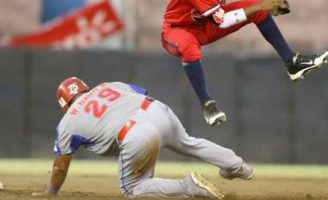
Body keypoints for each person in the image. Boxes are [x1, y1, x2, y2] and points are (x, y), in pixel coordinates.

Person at [161, 0, 328, 126]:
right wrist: (261, 4)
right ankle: (207, 103)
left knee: (257, 10)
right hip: (177, 29)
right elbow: (221, 21)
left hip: (205, 24)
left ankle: (293, 62)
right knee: (190, 47)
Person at [32, 77, 254, 199]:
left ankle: (188, 186)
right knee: (189, 143)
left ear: (63, 104)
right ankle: (237, 166)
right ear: (84, 88)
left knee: (133, 188)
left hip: (134, 132)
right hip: (157, 109)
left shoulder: (67, 122)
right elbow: (141, 93)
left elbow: (61, 166)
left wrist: (51, 192)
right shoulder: (107, 86)